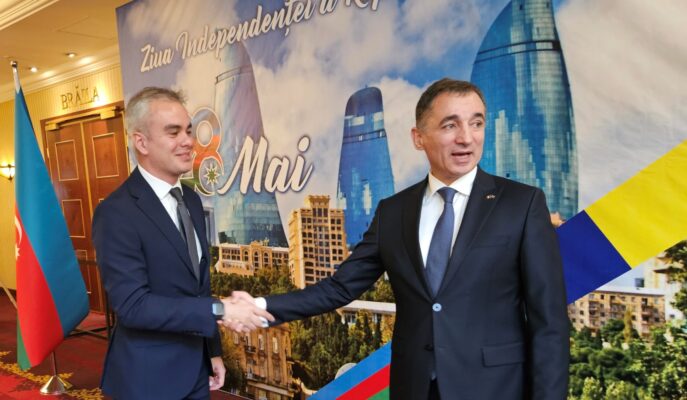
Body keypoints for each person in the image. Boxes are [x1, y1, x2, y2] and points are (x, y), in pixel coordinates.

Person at [229, 78, 569, 399]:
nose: (467, 138)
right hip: (413, 387)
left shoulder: (522, 204)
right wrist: (260, 306)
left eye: (476, 123)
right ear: (418, 138)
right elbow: (339, 289)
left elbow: (549, 323)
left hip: (495, 388)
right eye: (450, 125)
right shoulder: (393, 212)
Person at [92, 87, 273, 400]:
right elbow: (134, 306)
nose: (188, 141)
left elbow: (199, 286)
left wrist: (212, 351)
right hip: (147, 380)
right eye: (173, 132)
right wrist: (220, 309)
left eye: (189, 131)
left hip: (195, 370)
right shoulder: (116, 212)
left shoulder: (191, 199)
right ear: (141, 142)